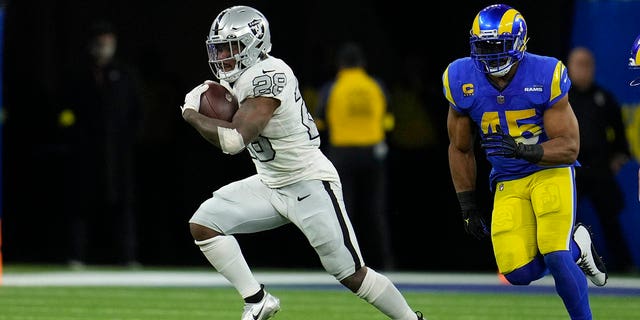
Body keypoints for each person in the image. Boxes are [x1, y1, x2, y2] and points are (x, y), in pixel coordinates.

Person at [179, 6, 424, 320]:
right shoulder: (241, 78)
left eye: (231, 47)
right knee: (204, 224)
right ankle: (257, 300)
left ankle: (412, 319)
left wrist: (192, 114)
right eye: (219, 48)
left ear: (254, 44)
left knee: (351, 273)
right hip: (270, 183)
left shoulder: (269, 74)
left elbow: (234, 141)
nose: (224, 55)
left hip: (308, 183)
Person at [442, 4, 607, 320]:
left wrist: (529, 151)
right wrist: (467, 206)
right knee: (517, 272)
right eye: (483, 46)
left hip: (550, 170)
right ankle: (578, 246)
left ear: (518, 43)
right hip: (508, 177)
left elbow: (570, 148)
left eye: (497, 46)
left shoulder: (545, 73)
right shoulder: (460, 77)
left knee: (555, 254)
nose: (489, 54)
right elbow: (460, 148)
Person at [59, 20, 142, 268]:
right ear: (91, 46)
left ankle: (128, 256)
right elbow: (65, 112)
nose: (103, 49)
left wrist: (129, 139)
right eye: (99, 44)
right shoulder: (78, 75)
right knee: (81, 202)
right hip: (85, 151)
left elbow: (136, 111)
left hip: (118, 153)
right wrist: (71, 133)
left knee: (123, 203)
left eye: (108, 44)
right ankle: (77, 254)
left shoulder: (124, 75)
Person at [315, 42, 396, 271]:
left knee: (342, 210)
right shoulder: (375, 85)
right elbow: (389, 121)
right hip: (373, 153)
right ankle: (386, 263)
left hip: (342, 154)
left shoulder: (332, 88)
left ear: (339, 65)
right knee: (376, 210)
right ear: (363, 64)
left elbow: (319, 123)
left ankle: (344, 264)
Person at [567, 46, 634, 272]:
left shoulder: (604, 98)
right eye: (578, 64)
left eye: (587, 64)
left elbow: (621, 136)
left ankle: (624, 265)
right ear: (569, 67)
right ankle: (560, 265)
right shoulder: (562, 99)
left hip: (599, 168)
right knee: (562, 220)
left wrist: (617, 159)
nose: (583, 70)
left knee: (610, 218)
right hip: (570, 170)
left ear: (593, 68)